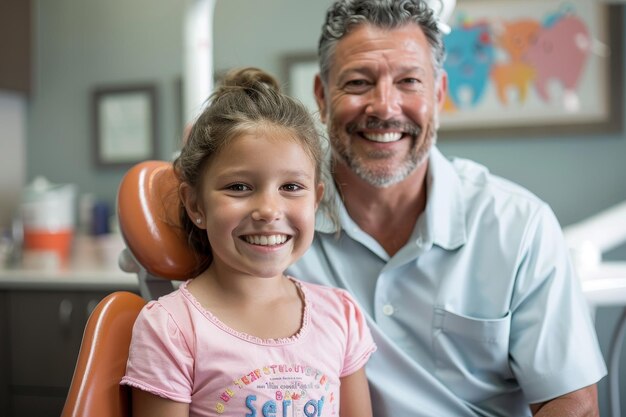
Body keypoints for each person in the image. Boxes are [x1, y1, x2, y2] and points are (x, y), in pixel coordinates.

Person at [287, 0, 607, 416]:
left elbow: (573, 404)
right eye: (359, 82)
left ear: (438, 93)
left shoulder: (518, 226)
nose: (384, 107)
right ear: (322, 96)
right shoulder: (280, 224)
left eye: (408, 81)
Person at [120, 67, 376, 417]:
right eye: (239, 187)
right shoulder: (172, 329)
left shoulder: (341, 316)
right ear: (196, 205)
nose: (269, 210)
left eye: (291, 187)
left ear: (315, 201)